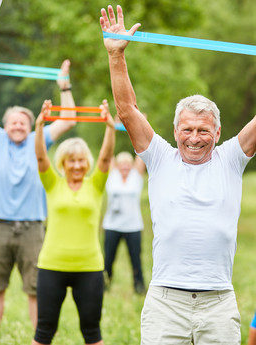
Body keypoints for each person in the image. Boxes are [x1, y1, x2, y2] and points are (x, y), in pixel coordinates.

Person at [100, 5, 256, 344]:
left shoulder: (230, 158)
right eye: (187, 129)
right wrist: (116, 56)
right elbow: (127, 110)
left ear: (217, 132)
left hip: (218, 302)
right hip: (165, 303)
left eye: (203, 130)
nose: (195, 137)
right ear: (174, 131)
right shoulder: (158, 157)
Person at [0, 60, 77, 345]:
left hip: (32, 229)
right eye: (13, 122)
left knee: (36, 290)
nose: (17, 126)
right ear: (4, 126)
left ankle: (39, 341)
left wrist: (64, 85)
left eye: (23, 122)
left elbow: (69, 120)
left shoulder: (38, 141)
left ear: (31, 126)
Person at [32, 99, 115, 345]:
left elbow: (106, 159)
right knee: (44, 331)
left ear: (87, 162)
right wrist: (39, 126)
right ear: (63, 163)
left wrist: (110, 127)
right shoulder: (52, 183)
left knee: (92, 332)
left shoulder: (96, 185)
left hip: (89, 268)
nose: (77, 165)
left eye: (81, 161)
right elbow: (40, 159)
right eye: (72, 161)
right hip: (51, 266)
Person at [102, 151, 146, 294]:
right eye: (121, 164)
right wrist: (112, 129)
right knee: (108, 258)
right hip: (112, 226)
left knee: (136, 260)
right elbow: (107, 153)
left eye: (127, 164)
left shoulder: (136, 176)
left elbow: (141, 150)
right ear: (117, 166)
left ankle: (139, 287)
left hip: (133, 226)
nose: (124, 167)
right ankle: (104, 285)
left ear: (132, 165)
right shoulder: (112, 175)